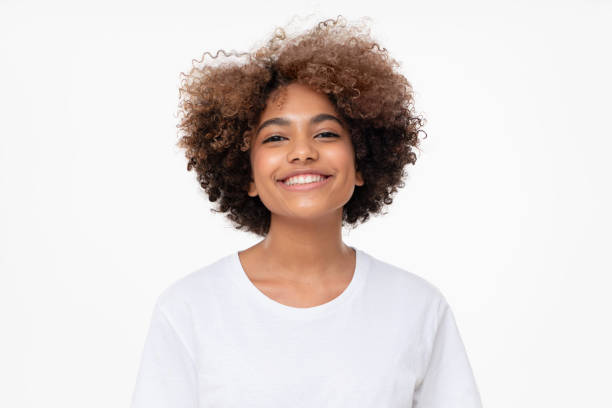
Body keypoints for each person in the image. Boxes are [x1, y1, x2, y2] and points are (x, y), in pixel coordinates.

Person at [130, 15, 483, 408]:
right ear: (245, 172)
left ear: (363, 161)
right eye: (276, 137)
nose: (302, 152)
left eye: (326, 133)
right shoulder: (189, 310)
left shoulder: (417, 307)